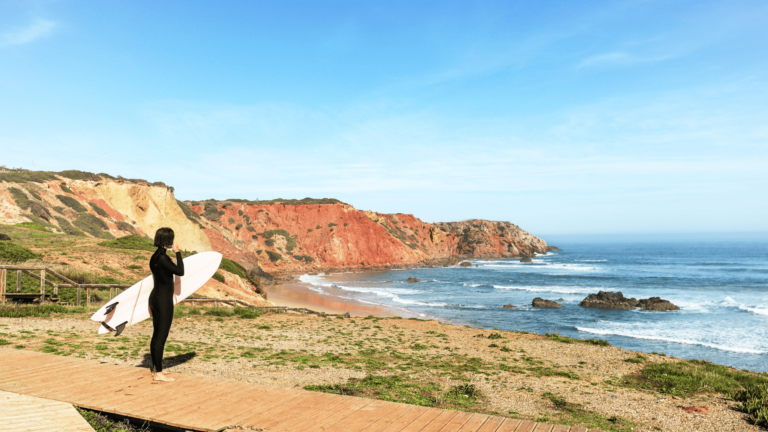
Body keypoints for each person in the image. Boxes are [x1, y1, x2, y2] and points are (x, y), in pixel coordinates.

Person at [148, 227, 184, 382]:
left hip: (155, 298)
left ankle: (156, 369)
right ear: (167, 241)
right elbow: (180, 271)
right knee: (161, 336)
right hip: (163, 300)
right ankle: (159, 373)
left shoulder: (155, 257)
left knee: (156, 335)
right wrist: (177, 252)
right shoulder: (163, 258)